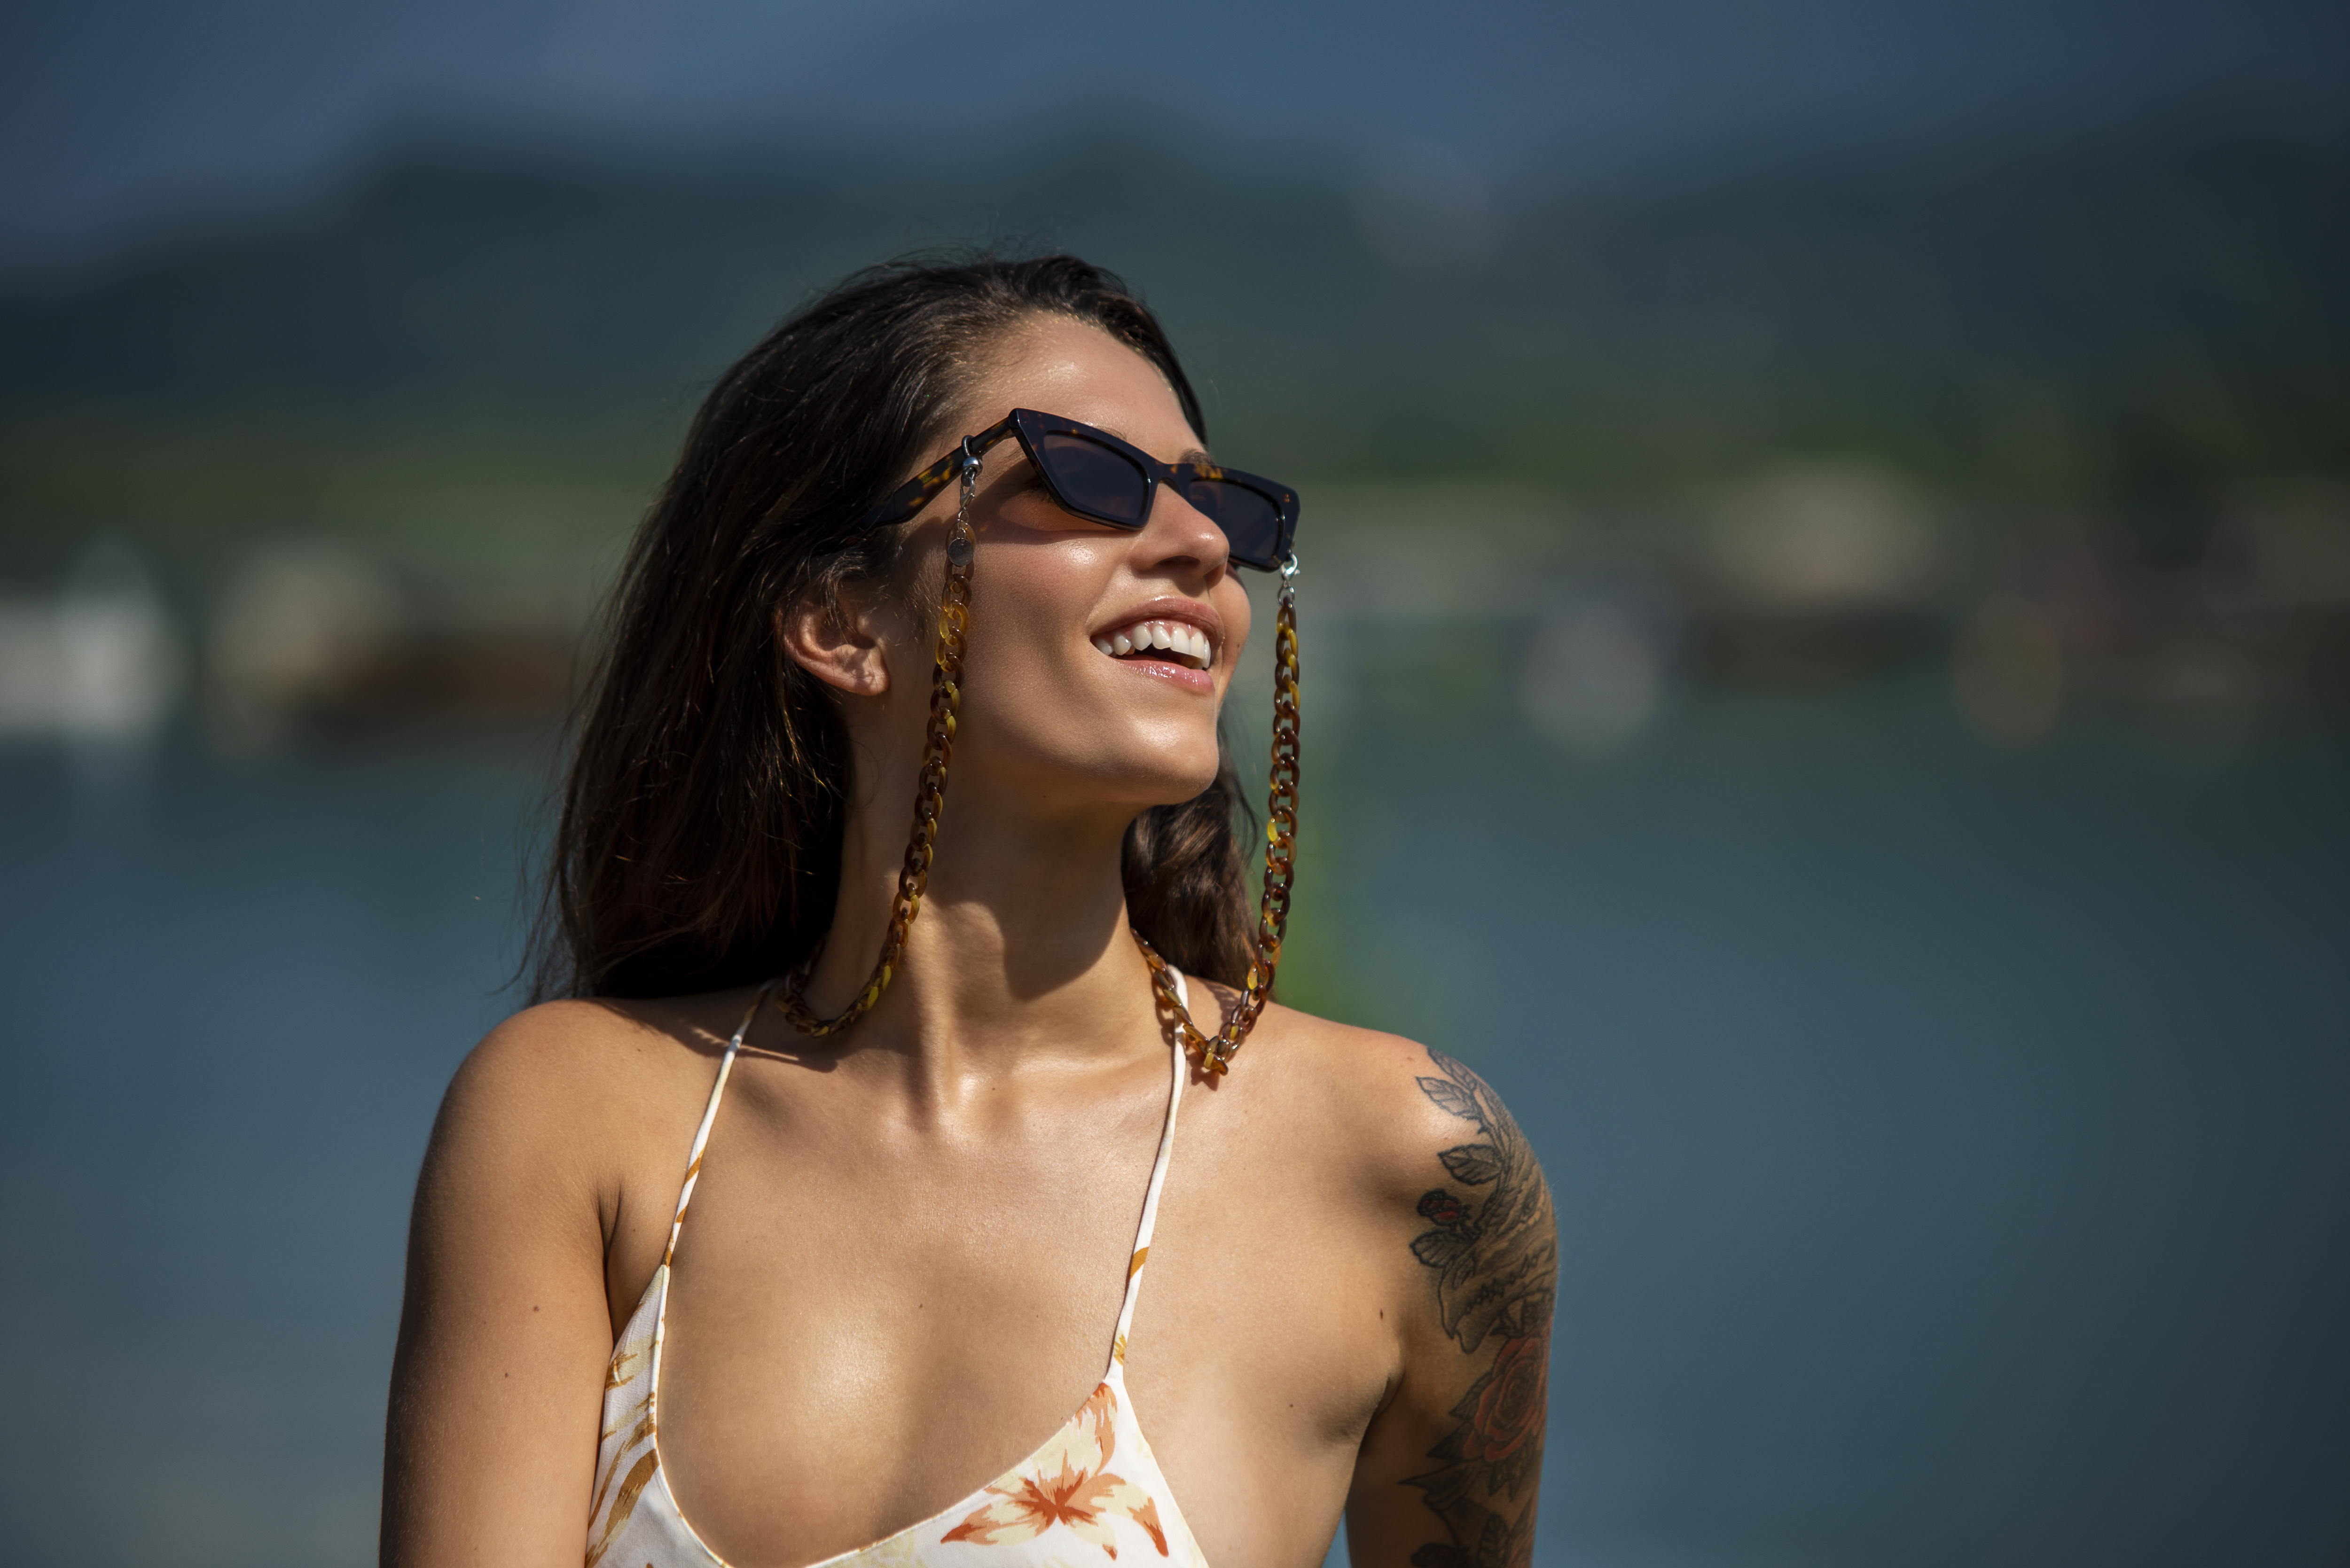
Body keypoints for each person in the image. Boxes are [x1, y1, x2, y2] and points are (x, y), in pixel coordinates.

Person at [381, 254, 1555, 1568]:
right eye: (1085, 476)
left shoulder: (1410, 1171)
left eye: (1216, 500)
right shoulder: (578, 1117)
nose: (1200, 543)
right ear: (841, 619)